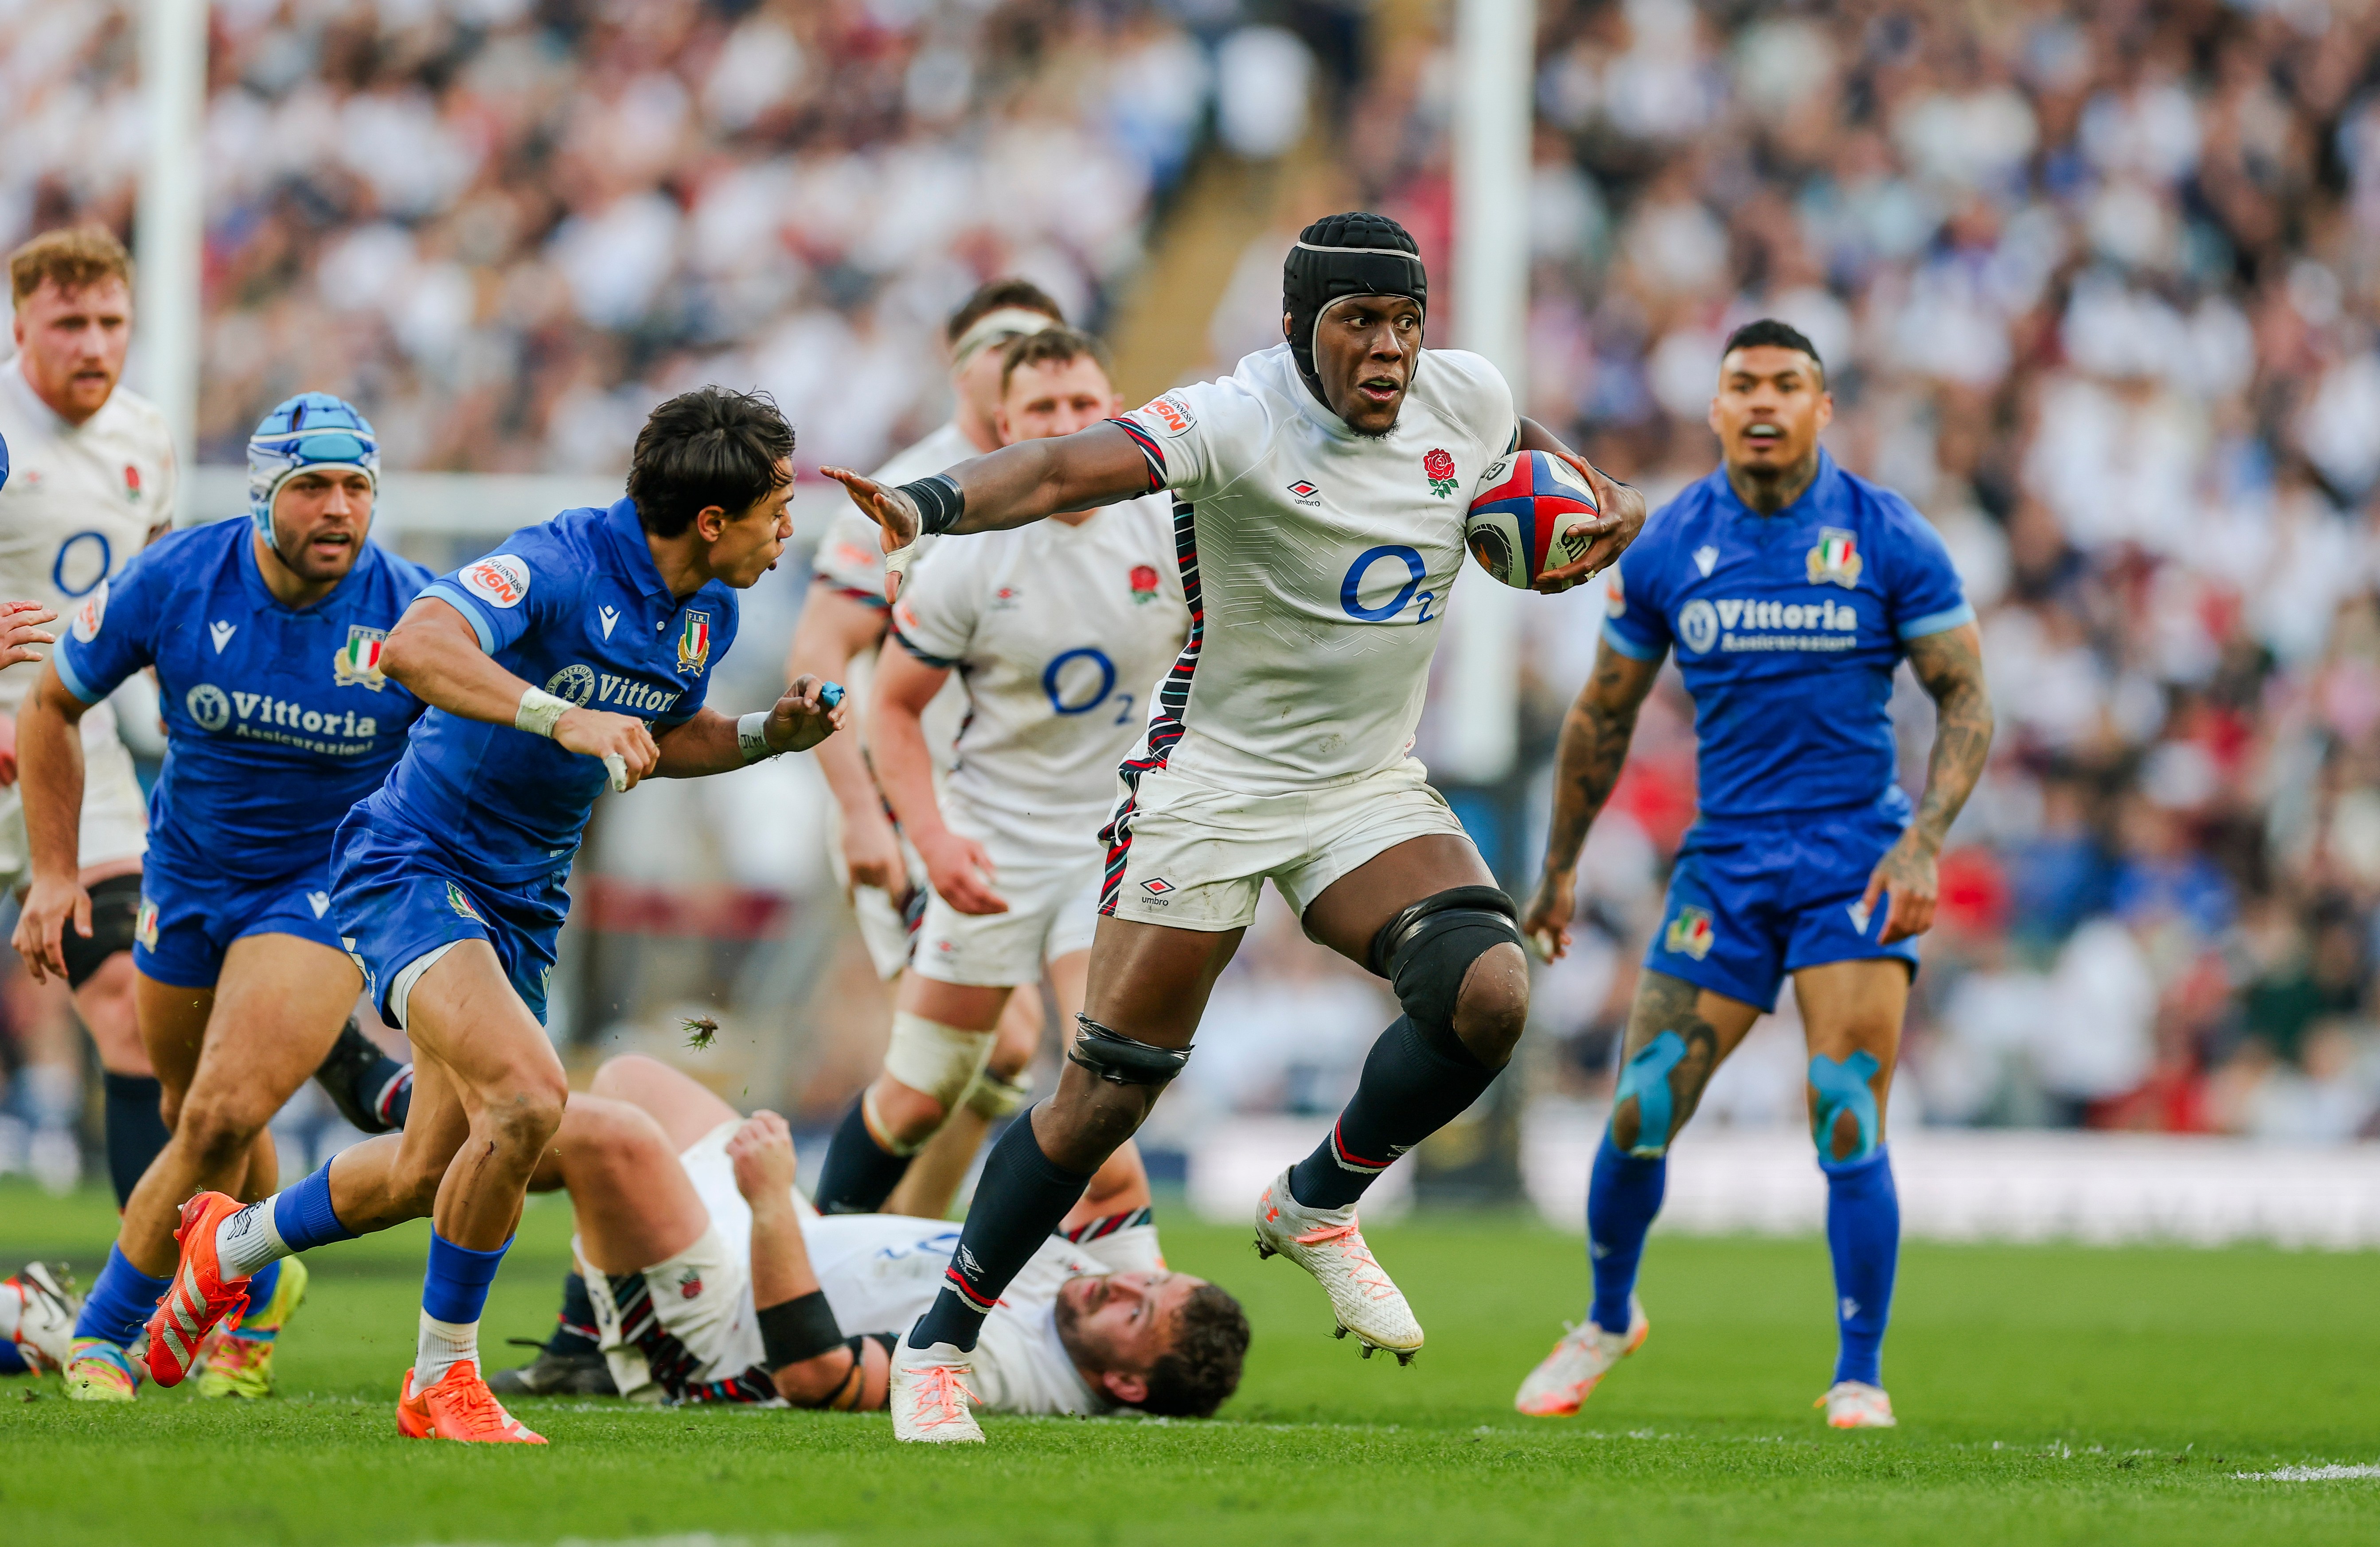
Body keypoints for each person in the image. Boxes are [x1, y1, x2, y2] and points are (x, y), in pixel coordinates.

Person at [825, 212, 1645, 1442]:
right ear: (1296, 329)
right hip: (1209, 784)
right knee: (1104, 1098)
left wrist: (1604, 516)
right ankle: (942, 1342)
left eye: (1405, 321)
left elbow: (1558, 478)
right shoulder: (1235, 416)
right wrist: (925, 502)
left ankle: (1317, 1200)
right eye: (1358, 322)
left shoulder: (1467, 398)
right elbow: (1057, 472)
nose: (1387, 349)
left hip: (1362, 784)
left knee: (1489, 994)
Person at [141, 387, 847, 1444]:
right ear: (713, 519)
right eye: (777, 509)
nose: (788, 531)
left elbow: (659, 736)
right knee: (528, 1100)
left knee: (433, 1169)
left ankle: (226, 1248)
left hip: (521, 897)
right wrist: (560, 716)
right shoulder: (559, 561)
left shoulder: (712, 609)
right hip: (413, 863)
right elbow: (418, 644)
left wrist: (760, 734)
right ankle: (441, 1381)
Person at [1510, 320, 1992, 1430]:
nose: (1764, 402)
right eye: (1743, 386)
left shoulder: (1886, 535)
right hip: (1724, 866)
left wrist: (1922, 843)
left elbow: (1966, 694)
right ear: (1716, 410)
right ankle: (1606, 1315)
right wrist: (1561, 869)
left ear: (1824, 409)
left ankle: (1860, 1372)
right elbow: (1603, 712)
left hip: (1851, 864)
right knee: (1639, 1108)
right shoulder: (1671, 542)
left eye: (1787, 384)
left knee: (1842, 1112)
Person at [15, 394, 434, 1403]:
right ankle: (258, 1282)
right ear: (262, 499)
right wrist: (59, 872)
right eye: (312, 488)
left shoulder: (416, 613)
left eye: (357, 488)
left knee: (217, 1113)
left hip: (325, 889)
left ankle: (108, 1334)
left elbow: (483, 749)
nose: (338, 510)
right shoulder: (174, 579)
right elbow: (50, 705)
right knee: (189, 1108)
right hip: (189, 881)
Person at [809, 327, 1183, 1266]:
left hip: (1115, 845)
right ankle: (811, 1279)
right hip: (994, 846)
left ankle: (1143, 1323)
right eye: (1044, 412)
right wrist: (932, 841)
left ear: (1114, 411)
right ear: (1006, 430)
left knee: (1098, 1085)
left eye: (1084, 407)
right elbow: (892, 709)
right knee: (921, 1090)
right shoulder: (970, 559)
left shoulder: (1178, 526)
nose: (1067, 424)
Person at [519, 1055, 1247, 1423]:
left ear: (1123, 1385)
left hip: (720, 1324)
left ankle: (406, 1114)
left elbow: (814, 1376)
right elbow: (1112, 1171)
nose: (1122, 1282)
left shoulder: (1005, 1376)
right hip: (785, 1235)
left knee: (609, 1139)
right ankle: (580, 1350)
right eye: (1151, 1280)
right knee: (631, 1079)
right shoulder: (1100, 1290)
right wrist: (1041, 1067)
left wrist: (771, 1200)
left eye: (1137, 1311)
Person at [790, 279, 1067, 1216]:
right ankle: (833, 1267)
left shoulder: (1080, 487)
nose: (1026, 359)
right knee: (998, 1041)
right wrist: (861, 813)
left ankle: (902, 1255)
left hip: (1031, 815)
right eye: (1005, 343)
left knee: (1000, 1059)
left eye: (1045, 342)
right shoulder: (903, 494)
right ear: (964, 367)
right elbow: (818, 653)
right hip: (921, 811)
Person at [0, 226, 178, 1208]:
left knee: (133, 1006)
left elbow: (150, 599)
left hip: (75, 756)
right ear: (22, 320)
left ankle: (144, 1300)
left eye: (112, 323)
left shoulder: (145, 438)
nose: (95, 346)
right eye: (70, 323)